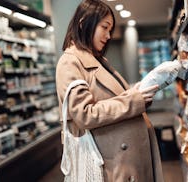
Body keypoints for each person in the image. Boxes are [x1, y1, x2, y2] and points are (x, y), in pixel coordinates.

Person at [56, 0, 164, 181]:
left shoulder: (99, 61)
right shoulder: (70, 62)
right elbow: (84, 114)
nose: (108, 35)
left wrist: (135, 92)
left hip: (127, 161)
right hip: (113, 165)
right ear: (83, 22)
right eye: (104, 27)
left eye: (110, 29)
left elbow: (113, 98)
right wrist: (134, 101)